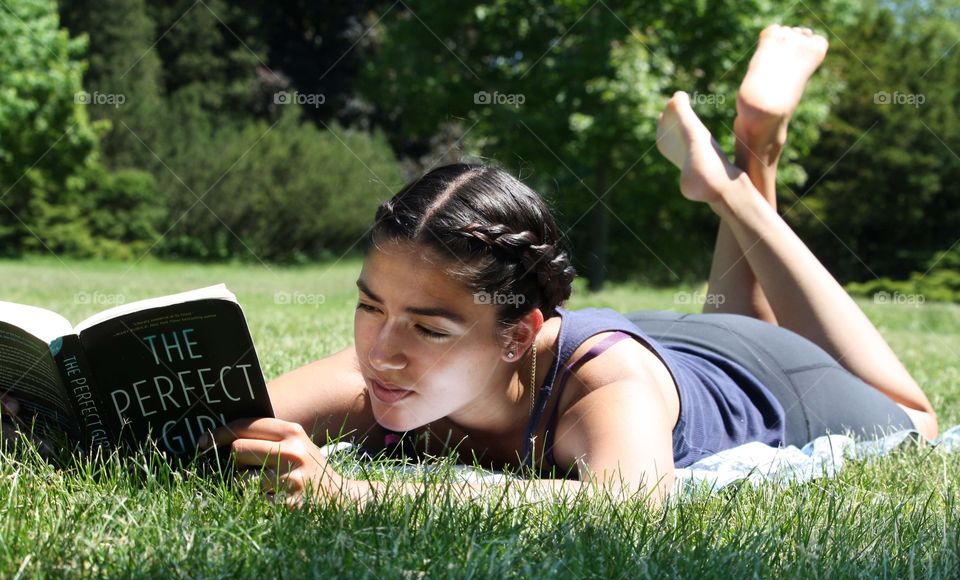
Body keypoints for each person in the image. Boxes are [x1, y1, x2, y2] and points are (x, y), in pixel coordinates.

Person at [1, 27, 940, 506]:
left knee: (917, 415)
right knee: (729, 305)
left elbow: (632, 518)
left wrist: (361, 503)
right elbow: (213, 427)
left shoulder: (601, 391)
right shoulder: (383, 371)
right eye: (372, 307)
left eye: (430, 324)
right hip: (691, 346)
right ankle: (751, 146)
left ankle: (737, 180)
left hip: (778, 379)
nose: (384, 351)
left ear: (520, 333)